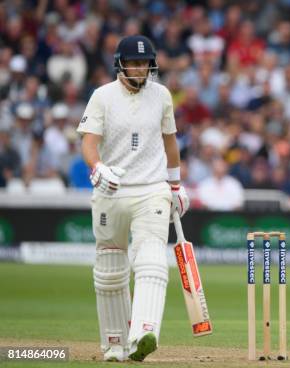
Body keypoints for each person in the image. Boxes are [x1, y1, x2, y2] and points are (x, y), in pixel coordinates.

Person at [77, 35, 189, 362]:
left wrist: (176, 185)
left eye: (144, 63)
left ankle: (143, 332)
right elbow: (88, 142)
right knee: (111, 267)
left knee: (152, 256)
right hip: (111, 188)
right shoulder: (102, 96)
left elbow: (170, 144)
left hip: (151, 188)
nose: (140, 68)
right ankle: (115, 344)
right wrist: (97, 168)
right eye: (134, 63)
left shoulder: (162, 95)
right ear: (121, 64)